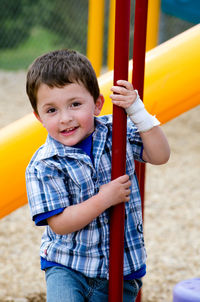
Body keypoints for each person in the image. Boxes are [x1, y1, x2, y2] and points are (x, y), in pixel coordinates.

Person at [25, 49, 170, 302]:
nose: (65, 118)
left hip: (122, 267)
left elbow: (160, 155)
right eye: (51, 111)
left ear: (97, 104)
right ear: (38, 117)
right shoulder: (43, 165)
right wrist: (104, 199)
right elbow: (59, 224)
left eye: (75, 104)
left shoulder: (117, 130)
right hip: (67, 267)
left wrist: (137, 110)